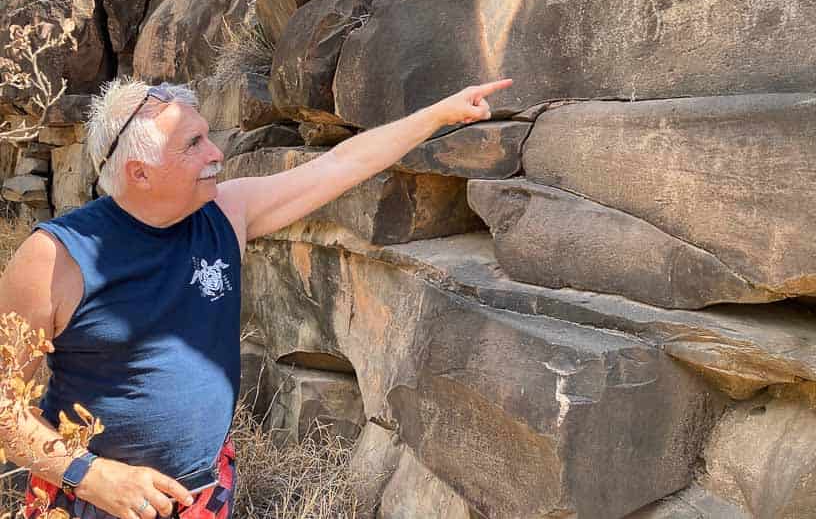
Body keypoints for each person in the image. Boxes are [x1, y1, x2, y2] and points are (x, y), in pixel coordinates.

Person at [0, 76, 513, 519]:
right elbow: (3, 405)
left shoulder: (226, 213)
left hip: (204, 491)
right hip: (89, 499)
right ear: (140, 172)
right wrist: (92, 477)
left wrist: (439, 114)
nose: (216, 153)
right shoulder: (55, 258)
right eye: (193, 143)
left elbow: (340, 164)